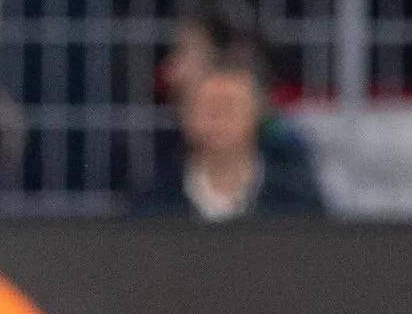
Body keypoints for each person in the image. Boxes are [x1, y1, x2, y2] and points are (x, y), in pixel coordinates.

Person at [139, 59, 327, 219]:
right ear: (185, 116)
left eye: (229, 107)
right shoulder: (154, 203)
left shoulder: (296, 202)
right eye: (207, 107)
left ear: (257, 113)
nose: (217, 118)